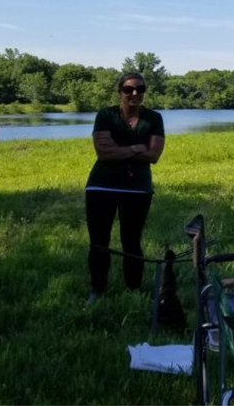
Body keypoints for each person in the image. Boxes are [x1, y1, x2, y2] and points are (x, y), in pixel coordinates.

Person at [84, 72, 165, 305]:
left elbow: (154, 155)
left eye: (140, 89)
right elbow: (103, 152)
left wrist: (120, 149)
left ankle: (133, 289)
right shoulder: (106, 115)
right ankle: (97, 289)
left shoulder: (153, 118)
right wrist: (137, 147)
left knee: (132, 241)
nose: (135, 93)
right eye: (129, 89)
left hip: (137, 189)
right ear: (120, 91)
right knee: (99, 241)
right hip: (101, 186)